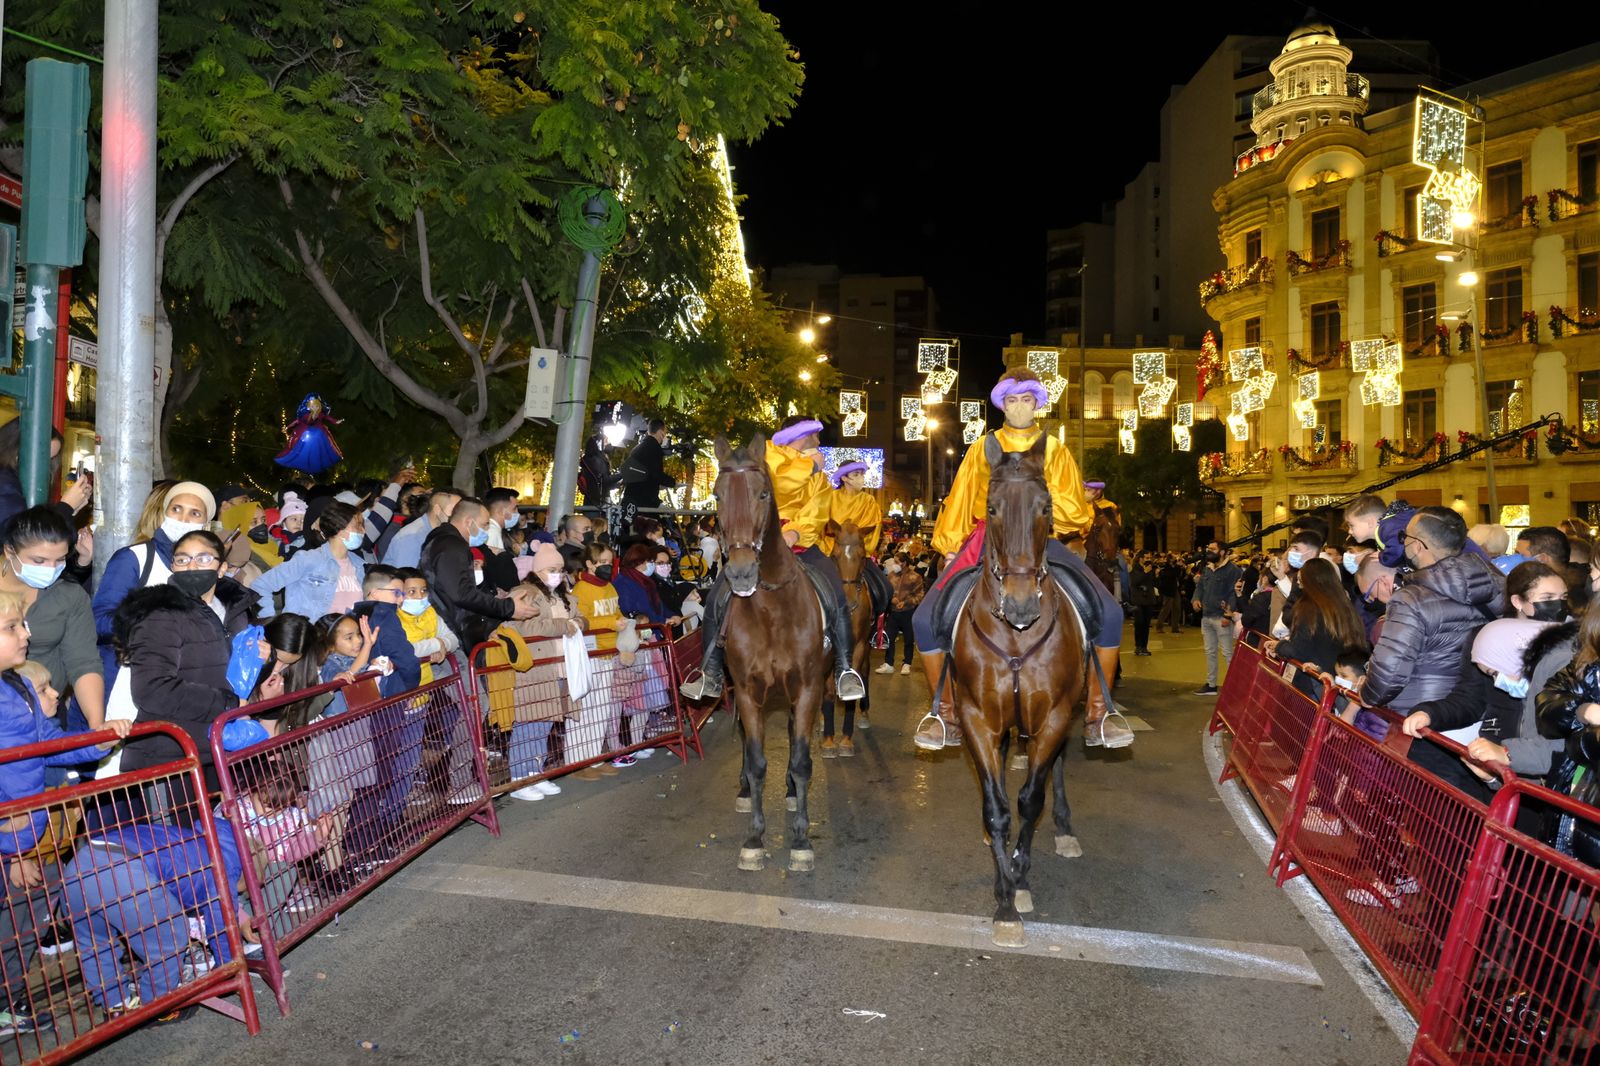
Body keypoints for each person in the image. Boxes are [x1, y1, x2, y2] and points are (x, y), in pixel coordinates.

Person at [910, 368, 1130, 750]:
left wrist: (1036, 509)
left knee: (1110, 613)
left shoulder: (1055, 449)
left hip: (1039, 539)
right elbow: (961, 497)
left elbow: (1074, 511)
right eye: (1011, 401)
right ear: (1002, 405)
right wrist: (950, 545)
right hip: (986, 538)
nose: (1018, 408)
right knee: (923, 619)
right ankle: (944, 713)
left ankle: (1099, 711)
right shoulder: (981, 448)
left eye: (1026, 400)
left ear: (1036, 403)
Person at [678, 416, 867, 707]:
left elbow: (819, 508)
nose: (818, 443)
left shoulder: (819, 473)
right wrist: (810, 466)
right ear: (801, 436)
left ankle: (844, 668)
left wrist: (795, 532)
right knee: (717, 594)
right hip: (757, 540)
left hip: (802, 543)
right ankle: (711, 670)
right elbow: (775, 481)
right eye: (815, 437)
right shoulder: (766, 455)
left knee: (836, 591)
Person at [0, 591, 109, 1037]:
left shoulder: (19, 686)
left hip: (24, 834)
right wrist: (9, 846)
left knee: (19, 929)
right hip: (11, 839)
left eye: (22, 624)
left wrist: (98, 741)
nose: (26, 634)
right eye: (12, 628)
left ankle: (7, 1003)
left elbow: (46, 745)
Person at [114, 530, 259, 808]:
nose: (191, 567)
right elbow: (152, 690)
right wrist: (229, 704)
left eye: (203, 559)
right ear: (172, 566)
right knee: (174, 836)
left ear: (222, 568)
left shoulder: (234, 612)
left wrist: (266, 658)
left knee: (216, 834)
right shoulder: (160, 613)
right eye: (182, 560)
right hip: (169, 758)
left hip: (216, 751)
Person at [1363, 507, 1505, 716]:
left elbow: (1389, 673)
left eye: (1404, 536)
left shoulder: (1410, 599)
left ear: (1418, 545)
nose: (1402, 542)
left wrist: (1366, 693)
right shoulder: (1498, 583)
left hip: (1423, 713)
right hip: (1480, 709)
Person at [0, 508, 111, 748]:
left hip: (46, 717)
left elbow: (83, 663)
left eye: (60, 560)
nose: (50, 568)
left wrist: (96, 727)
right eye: (39, 561)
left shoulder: (68, 596)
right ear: (10, 551)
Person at [93, 481, 217, 683]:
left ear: (206, 524)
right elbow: (99, 621)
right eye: (176, 509)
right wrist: (146, 622)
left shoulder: (210, 569)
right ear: (164, 513)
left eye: (195, 513)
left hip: (180, 682)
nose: (183, 519)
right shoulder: (134, 558)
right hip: (123, 679)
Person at [500, 544, 580, 801]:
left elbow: (580, 618)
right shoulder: (525, 592)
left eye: (560, 569)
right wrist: (564, 625)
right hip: (535, 669)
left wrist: (578, 622)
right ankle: (519, 777)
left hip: (558, 667)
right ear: (538, 570)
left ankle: (535, 771)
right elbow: (524, 627)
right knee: (528, 723)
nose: (558, 574)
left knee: (545, 722)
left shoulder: (563, 595)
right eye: (552, 569)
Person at [420, 497, 535, 651]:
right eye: (484, 524)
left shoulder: (444, 542)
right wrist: (507, 607)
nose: (487, 530)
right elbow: (462, 594)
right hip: (451, 630)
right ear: (469, 522)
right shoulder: (451, 546)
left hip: (452, 626)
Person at [1264, 557, 1368, 700]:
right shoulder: (1345, 604)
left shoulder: (1308, 608)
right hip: (1340, 682)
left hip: (1314, 683)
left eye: (1300, 579)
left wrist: (1280, 646)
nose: (1297, 583)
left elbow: (1298, 650)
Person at [249, 501, 369, 621]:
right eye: (358, 526)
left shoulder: (360, 565)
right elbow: (261, 585)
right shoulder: (308, 559)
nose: (363, 531)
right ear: (340, 528)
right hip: (311, 632)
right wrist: (270, 624)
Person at [1192, 541, 1242, 696]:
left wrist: (1228, 614)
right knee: (1210, 652)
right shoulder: (1207, 568)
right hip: (1207, 616)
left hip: (1222, 618)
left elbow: (1234, 593)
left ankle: (1235, 687)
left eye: (1213, 549)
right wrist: (1196, 599)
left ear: (1222, 552)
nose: (1209, 551)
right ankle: (1211, 685)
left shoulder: (1233, 570)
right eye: (1208, 548)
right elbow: (1200, 586)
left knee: (1228, 653)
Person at [394, 568, 460, 685]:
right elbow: (405, 651)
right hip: (404, 686)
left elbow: (454, 641)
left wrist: (441, 645)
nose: (420, 596)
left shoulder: (429, 612)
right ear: (398, 594)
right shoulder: (392, 619)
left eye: (423, 590)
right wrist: (436, 644)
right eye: (412, 592)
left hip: (427, 681)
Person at [381, 488, 462, 571]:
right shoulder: (413, 538)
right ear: (437, 510)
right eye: (454, 512)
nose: (459, 517)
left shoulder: (437, 532)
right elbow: (408, 576)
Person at [878, 552, 924, 675]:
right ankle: (888, 664)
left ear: (904, 563)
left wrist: (906, 602)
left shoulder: (915, 577)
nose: (894, 564)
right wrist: (891, 598)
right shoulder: (891, 575)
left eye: (897, 562)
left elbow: (920, 595)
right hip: (893, 613)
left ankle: (907, 663)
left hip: (908, 612)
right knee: (889, 638)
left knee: (909, 639)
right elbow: (886, 591)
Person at [619, 420, 678, 512]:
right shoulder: (654, 448)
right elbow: (656, 474)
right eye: (665, 433)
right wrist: (673, 483)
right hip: (645, 501)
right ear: (660, 432)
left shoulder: (637, 448)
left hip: (631, 499)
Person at [1130, 552, 1161, 656]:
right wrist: (1145, 572)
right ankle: (1138, 646)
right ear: (1141, 558)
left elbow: (1154, 583)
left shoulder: (1150, 569)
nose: (1149, 559)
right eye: (1146, 557)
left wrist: (1156, 575)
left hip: (1148, 600)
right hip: (1138, 600)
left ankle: (1144, 647)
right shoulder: (1135, 568)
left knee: (1146, 624)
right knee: (1139, 623)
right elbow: (1135, 582)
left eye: (1149, 557)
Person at [579, 435, 620, 507]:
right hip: (596, 504)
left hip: (594, 502)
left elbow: (603, 484)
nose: (609, 443)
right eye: (606, 441)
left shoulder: (592, 459)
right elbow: (604, 481)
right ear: (599, 444)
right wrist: (622, 475)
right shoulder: (596, 460)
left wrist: (619, 483)